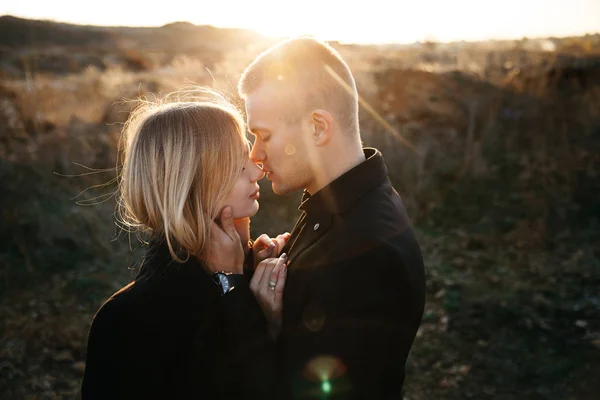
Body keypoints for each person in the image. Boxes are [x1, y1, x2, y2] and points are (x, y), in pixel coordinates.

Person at [205, 37, 427, 399]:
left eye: (265, 136)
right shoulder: (343, 204)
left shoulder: (366, 255)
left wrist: (236, 292)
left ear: (318, 128)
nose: (256, 156)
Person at [80, 92, 289, 399]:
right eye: (236, 163)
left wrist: (245, 274)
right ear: (190, 180)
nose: (257, 170)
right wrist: (233, 288)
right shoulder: (128, 322)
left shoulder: (254, 275)